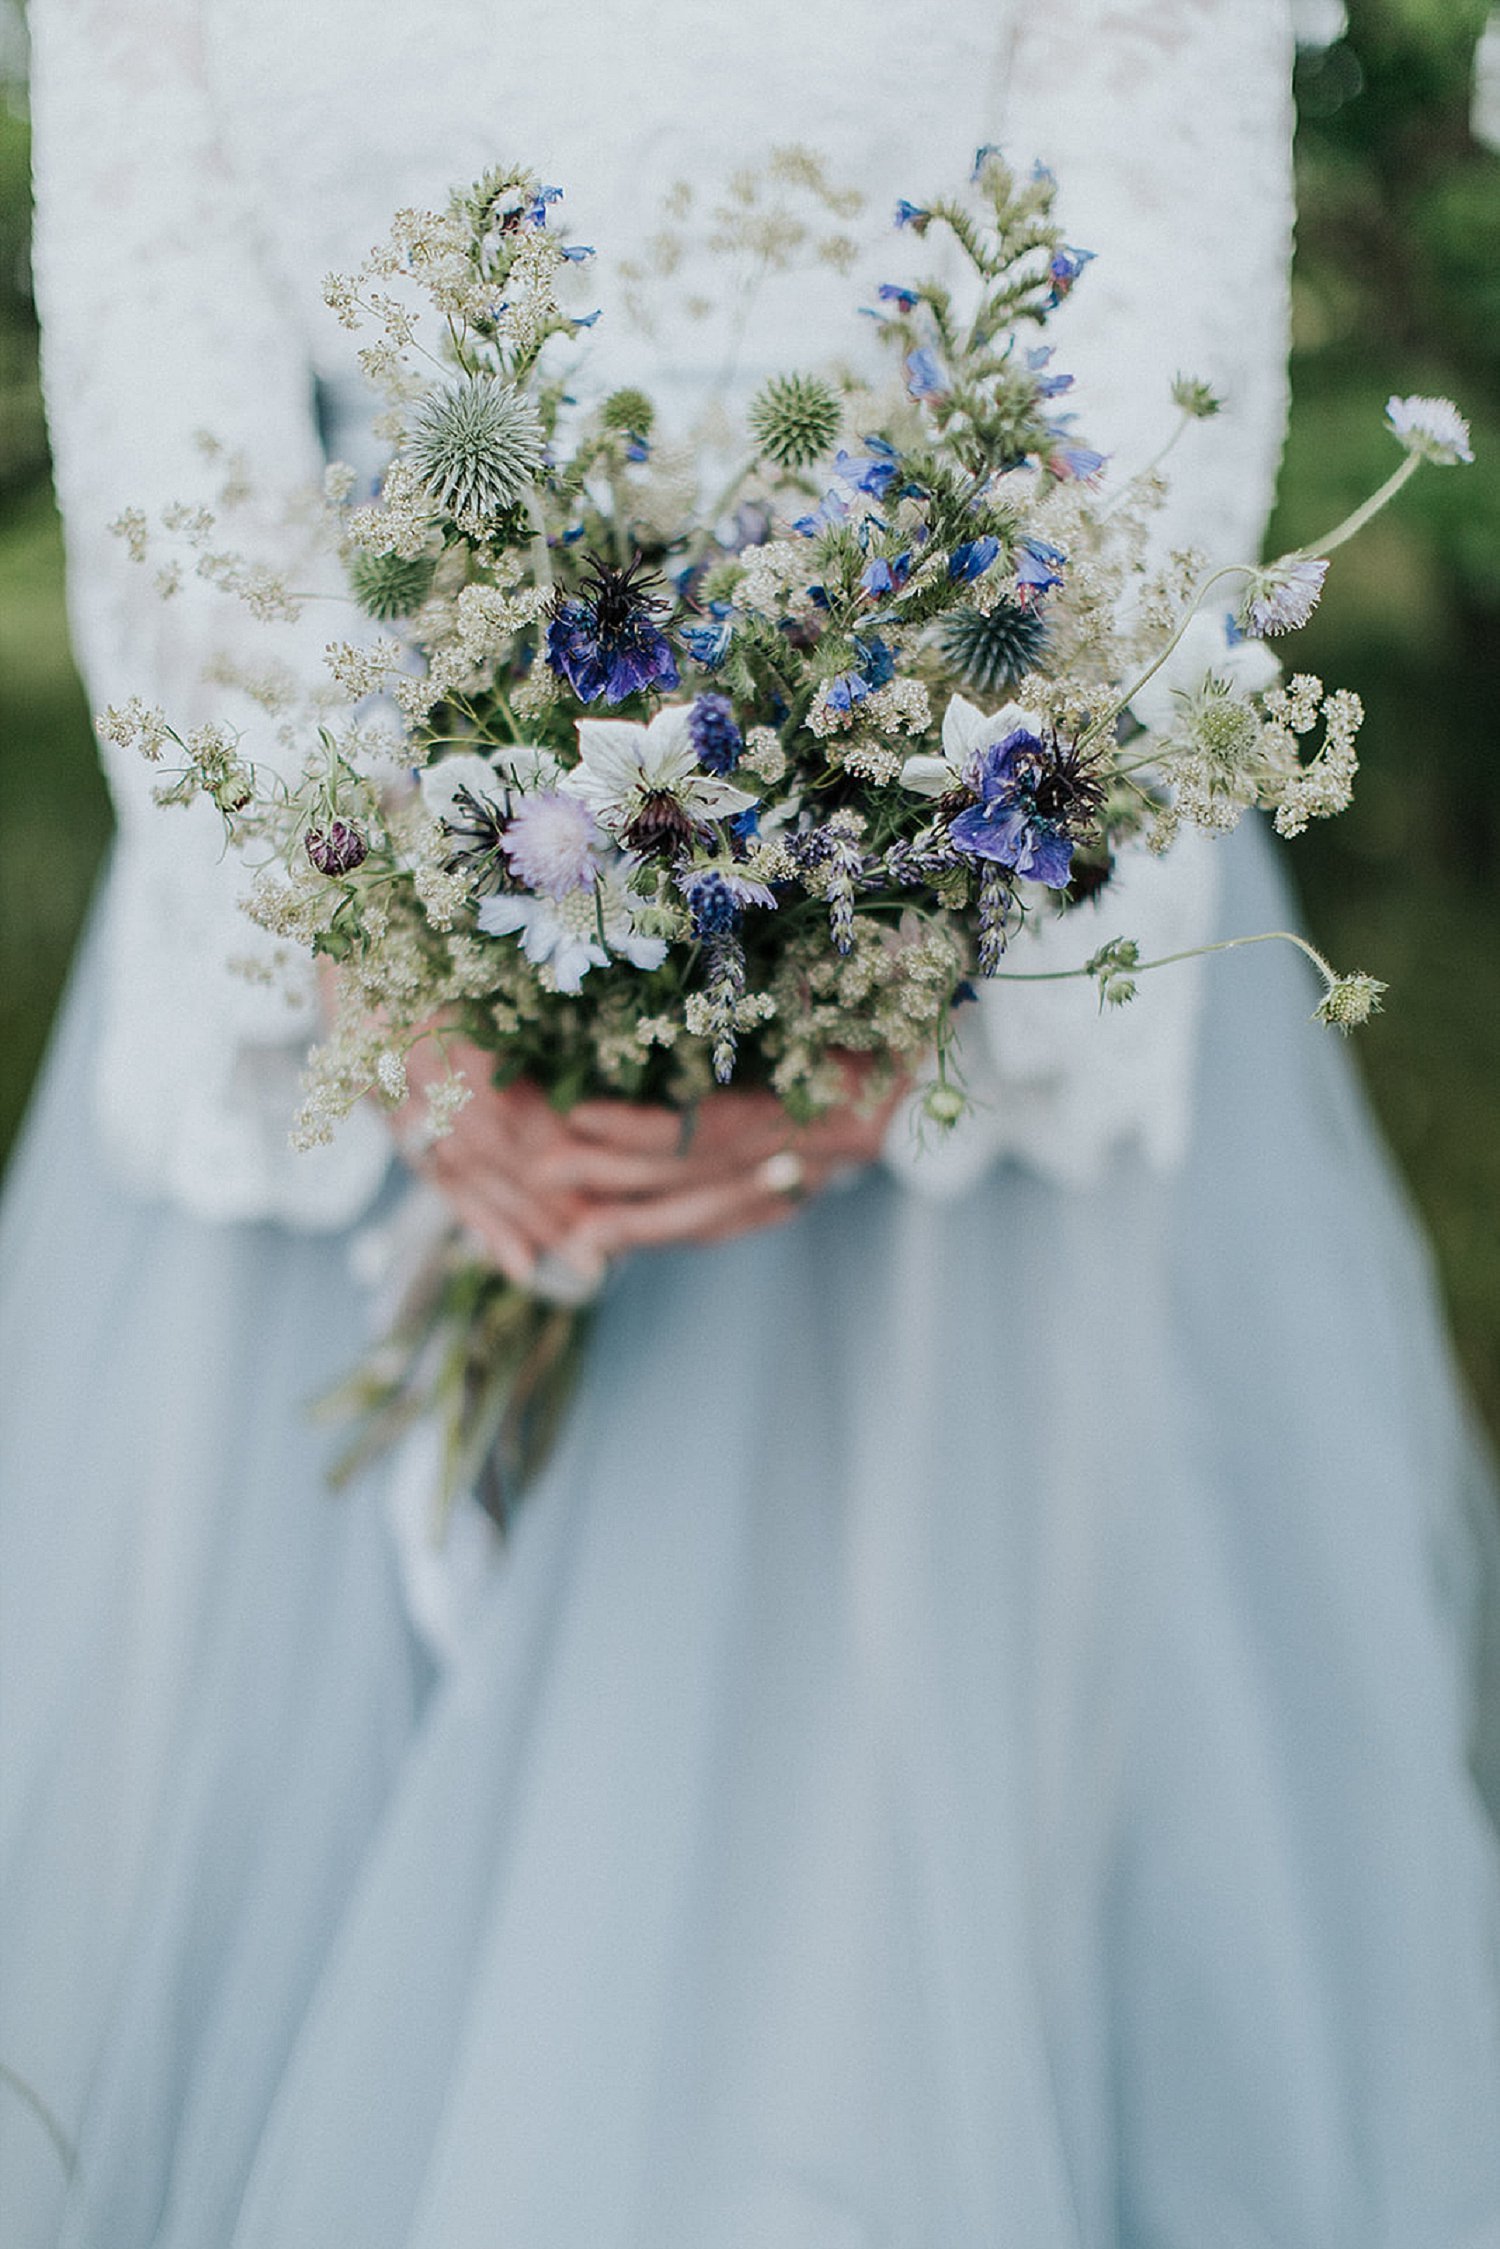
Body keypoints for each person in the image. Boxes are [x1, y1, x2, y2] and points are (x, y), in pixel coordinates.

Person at [5, 2, 1500, 2242]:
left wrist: (897, 935)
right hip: (339, 844)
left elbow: (1150, 355)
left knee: (864, 1920)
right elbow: (163, 382)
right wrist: (387, 978)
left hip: (937, 837)